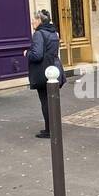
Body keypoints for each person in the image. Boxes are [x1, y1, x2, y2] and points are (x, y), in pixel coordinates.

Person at [27, 9, 64, 138]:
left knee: (45, 102)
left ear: (39, 20)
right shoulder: (54, 32)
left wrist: (27, 53)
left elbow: (37, 55)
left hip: (44, 72)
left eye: (34, 19)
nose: (32, 21)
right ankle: (53, 128)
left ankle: (50, 130)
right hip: (55, 69)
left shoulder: (39, 34)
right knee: (52, 101)